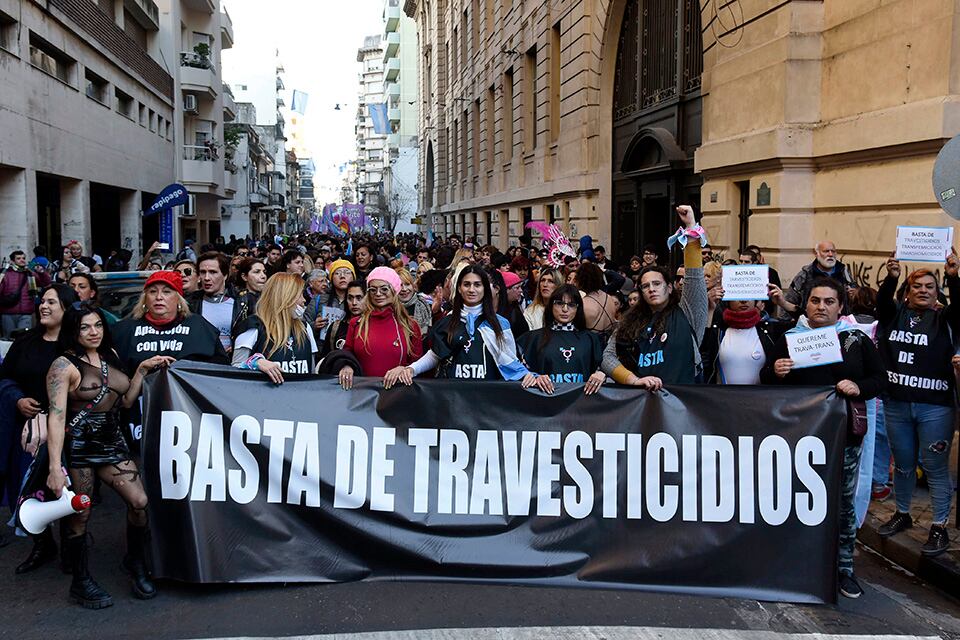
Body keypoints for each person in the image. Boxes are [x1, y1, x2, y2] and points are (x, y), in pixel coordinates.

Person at [760, 278, 886, 599]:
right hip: (798, 439)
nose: (821, 307)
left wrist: (859, 388)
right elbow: (765, 379)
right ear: (806, 305)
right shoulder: (789, 339)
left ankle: (844, 568)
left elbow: (879, 379)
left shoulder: (856, 340)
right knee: (792, 501)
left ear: (840, 307)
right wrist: (776, 370)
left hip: (843, 438)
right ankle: (791, 563)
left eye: (829, 302)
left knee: (843, 504)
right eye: (815, 301)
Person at [44, 303, 174, 608]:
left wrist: (142, 369)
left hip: (113, 443)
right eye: (85, 327)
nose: (93, 332)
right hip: (80, 448)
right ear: (74, 331)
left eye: (98, 326)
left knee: (139, 502)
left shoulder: (110, 357)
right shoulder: (63, 366)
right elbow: (56, 417)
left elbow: (127, 401)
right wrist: (53, 467)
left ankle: (135, 560)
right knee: (81, 513)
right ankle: (80, 580)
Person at [874, 253, 960, 557]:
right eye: (917, 286)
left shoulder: (944, 319)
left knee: (935, 467)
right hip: (897, 405)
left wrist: (952, 276)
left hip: (935, 407)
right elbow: (882, 304)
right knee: (905, 465)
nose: (923, 290)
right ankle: (903, 512)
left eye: (930, 286)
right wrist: (893, 276)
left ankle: (938, 526)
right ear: (908, 292)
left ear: (938, 293)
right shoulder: (893, 315)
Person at [0, 284, 78, 574]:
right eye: (42, 301)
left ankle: (73, 548)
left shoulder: (75, 347)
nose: (43, 306)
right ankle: (42, 544)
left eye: (52, 302)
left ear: (66, 309)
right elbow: (5, 378)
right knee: (31, 492)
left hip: (68, 432)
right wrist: (18, 399)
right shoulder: (25, 342)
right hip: (28, 436)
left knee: (67, 493)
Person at [383, 265, 553, 392]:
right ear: (459, 288)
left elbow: (509, 362)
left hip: (488, 400)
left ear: (485, 289)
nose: (472, 289)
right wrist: (411, 369)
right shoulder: (446, 322)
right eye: (467, 284)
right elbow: (435, 355)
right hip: (454, 398)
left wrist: (532, 377)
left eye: (477, 285)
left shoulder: (500, 324)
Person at [601, 205, 707, 388]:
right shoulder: (630, 321)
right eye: (645, 286)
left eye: (657, 284)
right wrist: (634, 380)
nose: (651, 289)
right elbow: (607, 358)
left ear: (670, 287)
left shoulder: (687, 313)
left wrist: (691, 227)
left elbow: (695, 278)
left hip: (683, 404)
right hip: (642, 404)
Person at [111, 271, 228, 377]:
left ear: (178, 299)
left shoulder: (198, 326)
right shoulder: (124, 329)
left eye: (166, 292)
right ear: (145, 299)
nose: (159, 297)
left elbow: (221, 370)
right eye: (152, 292)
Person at [337, 267, 424, 389]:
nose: (378, 294)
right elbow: (347, 353)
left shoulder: (409, 326)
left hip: (397, 395)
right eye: (373, 290)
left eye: (384, 289)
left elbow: (418, 364)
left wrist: (405, 369)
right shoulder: (356, 323)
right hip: (362, 395)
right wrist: (347, 366)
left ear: (394, 290)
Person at [517, 285, 605, 393]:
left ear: (578, 308)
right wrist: (534, 376)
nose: (565, 309)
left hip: (580, 403)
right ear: (551, 306)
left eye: (571, 305)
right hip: (544, 402)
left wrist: (602, 374)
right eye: (559, 303)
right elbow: (517, 370)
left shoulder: (591, 339)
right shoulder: (532, 338)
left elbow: (603, 367)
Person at [232, 274, 318, 383]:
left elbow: (313, 374)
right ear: (284, 297)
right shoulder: (253, 327)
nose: (304, 300)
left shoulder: (305, 328)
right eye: (299, 294)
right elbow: (234, 369)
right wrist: (255, 363)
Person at [700, 299, 785, 384]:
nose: (744, 301)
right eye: (737, 296)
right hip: (723, 396)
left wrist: (784, 304)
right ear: (728, 300)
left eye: (749, 296)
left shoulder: (770, 330)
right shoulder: (719, 331)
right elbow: (702, 356)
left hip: (761, 396)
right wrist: (710, 309)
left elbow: (797, 329)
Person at [775, 241, 854, 317]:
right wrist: (785, 323)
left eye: (833, 251)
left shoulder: (844, 272)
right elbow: (790, 300)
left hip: (841, 324)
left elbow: (855, 295)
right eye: (826, 251)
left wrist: (853, 295)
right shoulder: (805, 275)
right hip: (812, 325)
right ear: (817, 254)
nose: (830, 254)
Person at [189, 252, 238, 355]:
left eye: (213, 272)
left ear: (225, 275)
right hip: (201, 363)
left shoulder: (241, 302)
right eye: (203, 272)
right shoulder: (191, 303)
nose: (206, 278)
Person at [0, 250, 51, 338]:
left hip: (26, 312)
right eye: (18, 258)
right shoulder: (6, 274)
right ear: (12, 261)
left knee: (24, 338)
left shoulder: (30, 273)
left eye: (23, 258)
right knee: (8, 338)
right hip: (8, 312)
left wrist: (42, 272)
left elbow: (45, 283)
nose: (22, 260)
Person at [320, 281, 365, 357]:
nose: (354, 303)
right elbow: (326, 358)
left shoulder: (373, 327)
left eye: (359, 298)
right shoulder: (335, 327)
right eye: (350, 298)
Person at [577, 262, 618, 342]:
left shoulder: (584, 303)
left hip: (590, 346)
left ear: (581, 279)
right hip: (607, 344)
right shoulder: (609, 298)